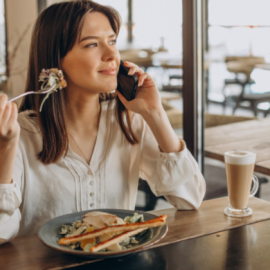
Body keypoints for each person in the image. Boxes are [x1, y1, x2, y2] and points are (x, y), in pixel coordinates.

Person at [0, 0, 205, 244]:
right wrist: (5, 148)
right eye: (92, 44)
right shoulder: (19, 133)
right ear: (56, 60)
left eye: (112, 41)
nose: (111, 55)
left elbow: (190, 198)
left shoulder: (130, 121)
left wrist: (155, 113)